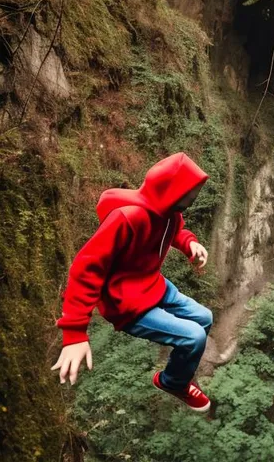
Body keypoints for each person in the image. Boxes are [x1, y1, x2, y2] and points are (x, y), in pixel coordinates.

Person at [51, 152, 213, 412]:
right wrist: (74, 333)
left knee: (204, 318)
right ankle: (173, 382)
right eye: (190, 194)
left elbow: (175, 230)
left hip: (153, 284)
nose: (193, 199)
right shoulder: (129, 218)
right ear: (171, 191)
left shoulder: (170, 212)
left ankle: (179, 371)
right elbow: (85, 268)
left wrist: (189, 243)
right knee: (194, 337)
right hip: (127, 303)